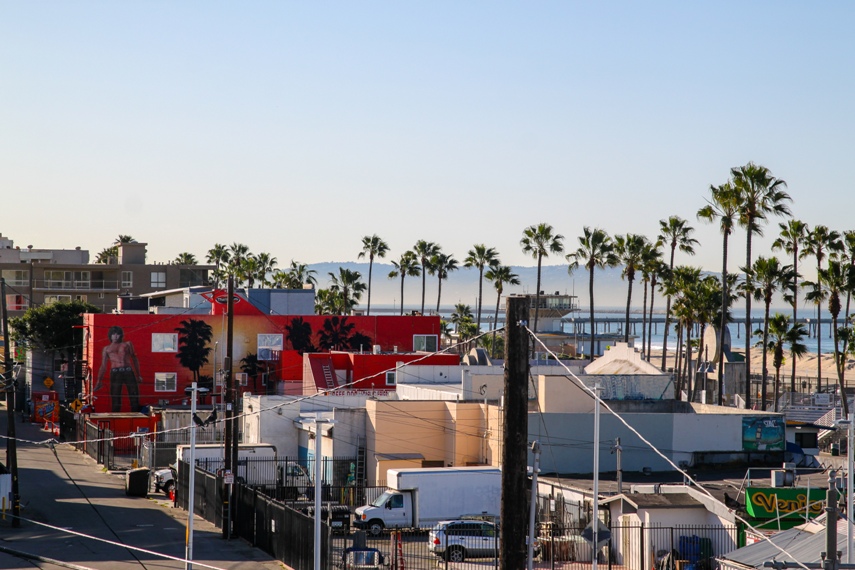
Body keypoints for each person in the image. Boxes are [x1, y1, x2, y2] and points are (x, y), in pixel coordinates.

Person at [95, 326, 142, 412]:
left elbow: (134, 358)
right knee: (115, 397)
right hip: (115, 372)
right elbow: (103, 366)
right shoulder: (106, 349)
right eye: (113, 334)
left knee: (134, 395)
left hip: (127, 371)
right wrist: (99, 381)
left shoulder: (127, 344)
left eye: (118, 334)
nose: (116, 336)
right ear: (110, 336)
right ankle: (115, 416)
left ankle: (136, 414)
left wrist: (138, 375)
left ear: (121, 335)